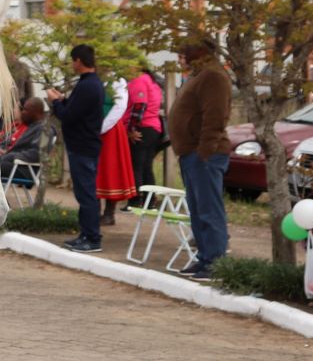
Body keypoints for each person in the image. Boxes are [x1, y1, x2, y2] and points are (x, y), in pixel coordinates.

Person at [168, 37, 232, 281]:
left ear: (200, 51)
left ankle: (215, 262)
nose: (180, 57)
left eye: (185, 52)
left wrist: (205, 150)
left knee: (208, 209)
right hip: (191, 153)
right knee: (197, 209)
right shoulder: (200, 75)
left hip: (205, 154)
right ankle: (205, 257)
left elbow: (215, 116)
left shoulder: (213, 76)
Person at [46, 44, 106, 253]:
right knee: (84, 192)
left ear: (78, 61)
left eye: (73, 60)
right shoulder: (90, 83)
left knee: (86, 193)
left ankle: (92, 237)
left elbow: (68, 116)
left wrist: (55, 102)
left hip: (83, 146)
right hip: (84, 145)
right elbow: (75, 109)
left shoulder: (88, 85)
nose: (72, 65)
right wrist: (64, 100)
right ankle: (86, 234)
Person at [97, 76, 137, 225]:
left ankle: (109, 213)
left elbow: (120, 106)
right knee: (94, 170)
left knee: (110, 170)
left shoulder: (118, 81)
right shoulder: (94, 77)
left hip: (110, 129)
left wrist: (102, 127)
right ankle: (93, 212)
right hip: (93, 129)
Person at [127, 62, 165, 205]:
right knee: (146, 167)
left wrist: (131, 129)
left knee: (136, 166)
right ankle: (150, 201)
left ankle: (135, 201)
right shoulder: (151, 81)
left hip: (142, 128)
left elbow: (139, 105)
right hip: (154, 128)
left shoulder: (139, 80)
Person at [0, 97, 47, 181]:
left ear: (36, 112)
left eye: (26, 110)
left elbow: (37, 153)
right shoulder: (32, 127)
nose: (23, 113)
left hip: (24, 170)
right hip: (14, 164)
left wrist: (11, 156)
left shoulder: (45, 129)